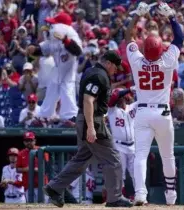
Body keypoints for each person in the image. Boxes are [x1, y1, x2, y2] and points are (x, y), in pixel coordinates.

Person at [42, 50, 132, 208]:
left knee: (81, 159)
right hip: (93, 121)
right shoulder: (99, 75)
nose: (116, 71)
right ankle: (114, 198)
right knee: (114, 159)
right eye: (115, 67)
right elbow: (88, 100)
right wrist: (91, 127)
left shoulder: (91, 70)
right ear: (108, 63)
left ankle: (54, 188)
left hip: (86, 118)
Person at [125, 2, 184, 206]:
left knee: (140, 155)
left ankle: (141, 194)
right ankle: (171, 196)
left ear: (145, 48)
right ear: (160, 49)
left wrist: (137, 16)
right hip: (162, 114)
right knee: (168, 157)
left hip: (142, 112)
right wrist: (171, 17)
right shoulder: (167, 60)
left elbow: (128, 38)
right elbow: (180, 38)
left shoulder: (137, 61)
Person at [26, 12, 82, 122]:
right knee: (51, 89)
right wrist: (34, 50)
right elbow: (43, 49)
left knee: (67, 90)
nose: (51, 27)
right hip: (57, 69)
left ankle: (71, 116)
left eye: (54, 24)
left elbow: (78, 51)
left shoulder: (72, 38)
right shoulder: (54, 41)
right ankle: (45, 114)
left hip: (67, 71)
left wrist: (66, 40)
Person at [107, 87, 137, 196]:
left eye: (121, 97)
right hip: (118, 145)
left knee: (136, 173)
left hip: (132, 146)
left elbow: (144, 101)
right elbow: (114, 97)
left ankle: (140, 196)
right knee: (121, 173)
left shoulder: (133, 107)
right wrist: (129, 89)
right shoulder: (112, 110)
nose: (119, 98)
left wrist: (136, 89)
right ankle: (120, 197)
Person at [16, 131, 49, 203]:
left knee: (43, 207)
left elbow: (47, 166)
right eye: (26, 141)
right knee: (31, 206)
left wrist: (38, 169)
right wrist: (27, 169)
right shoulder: (21, 153)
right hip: (29, 186)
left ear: (34, 141)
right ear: (24, 142)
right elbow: (17, 169)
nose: (29, 142)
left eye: (30, 140)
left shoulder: (42, 150)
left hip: (42, 185)